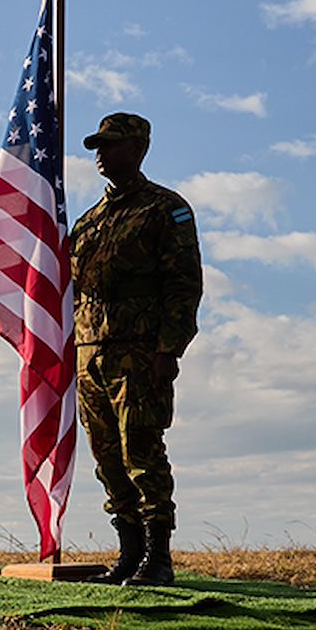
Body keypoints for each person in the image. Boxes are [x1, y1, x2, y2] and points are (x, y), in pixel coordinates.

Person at [69, 112, 203, 586]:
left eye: (111, 144)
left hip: (140, 352)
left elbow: (184, 285)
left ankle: (157, 558)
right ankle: (128, 553)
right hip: (90, 355)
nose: (100, 154)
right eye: (97, 146)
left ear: (139, 148)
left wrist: (170, 348)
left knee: (142, 451)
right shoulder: (87, 223)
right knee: (106, 458)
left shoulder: (165, 209)